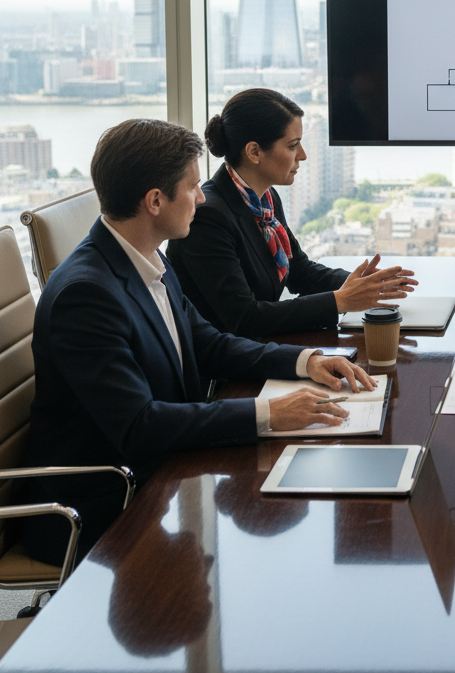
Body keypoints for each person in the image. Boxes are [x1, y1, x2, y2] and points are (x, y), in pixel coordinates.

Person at [23, 118, 377, 566]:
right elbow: (139, 426)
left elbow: (207, 343)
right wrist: (267, 413)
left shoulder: (145, 256)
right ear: (155, 201)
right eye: (192, 187)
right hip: (107, 503)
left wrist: (306, 361)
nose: (203, 197)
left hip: (164, 470)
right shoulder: (86, 295)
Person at [167, 88, 416, 340]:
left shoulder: (265, 198)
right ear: (254, 152)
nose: (303, 155)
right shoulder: (209, 217)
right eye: (293, 145)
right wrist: (340, 301)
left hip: (262, 348)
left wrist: (364, 284)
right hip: (224, 370)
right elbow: (245, 318)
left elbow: (299, 271)